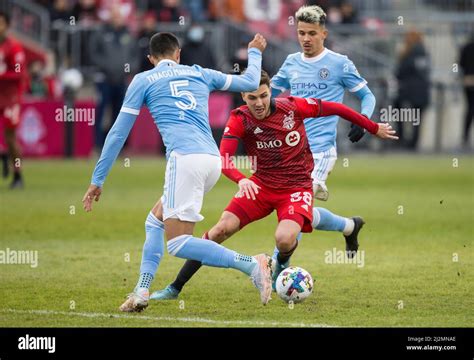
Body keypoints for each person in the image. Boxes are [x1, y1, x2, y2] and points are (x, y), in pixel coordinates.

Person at [151, 70, 397, 300]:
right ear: (243, 97)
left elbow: (338, 108)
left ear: (271, 92)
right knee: (219, 231)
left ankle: (280, 267)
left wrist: (372, 127)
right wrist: (242, 179)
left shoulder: (293, 107)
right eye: (252, 97)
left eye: (263, 95)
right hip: (260, 186)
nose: (258, 103)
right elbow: (224, 159)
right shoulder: (240, 118)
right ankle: (175, 287)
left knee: (284, 239)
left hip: (296, 187)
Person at [82, 32, 273, 312]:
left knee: (179, 244)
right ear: (178, 54)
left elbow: (117, 134)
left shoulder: (143, 79)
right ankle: (142, 290)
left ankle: (251, 265)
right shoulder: (199, 72)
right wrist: (254, 52)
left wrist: (97, 179)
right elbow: (248, 82)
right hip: (212, 160)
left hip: (184, 160)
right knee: (154, 221)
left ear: (150, 59)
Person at [271, 5, 376, 201]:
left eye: (312, 33)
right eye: (301, 33)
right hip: (292, 147)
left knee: (296, 201)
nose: (306, 39)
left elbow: (368, 96)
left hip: (321, 150)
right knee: (293, 208)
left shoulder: (339, 63)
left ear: (324, 33)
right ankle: (348, 225)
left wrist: (363, 120)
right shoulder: (291, 62)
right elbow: (268, 95)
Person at [0, 11, 26, 189]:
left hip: (10, 99)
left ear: (7, 25)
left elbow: (19, 74)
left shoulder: (14, 47)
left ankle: (18, 174)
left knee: (11, 138)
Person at [394, 29, 430, 150]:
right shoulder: (423, 52)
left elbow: (401, 71)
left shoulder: (412, 52)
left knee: (400, 111)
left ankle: (404, 140)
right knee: (416, 118)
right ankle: (411, 142)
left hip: (411, 90)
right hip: (420, 90)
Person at [459, 32, 474, 147]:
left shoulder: (466, 47)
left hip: (468, 81)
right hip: (469, 82)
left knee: (469, 109)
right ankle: (465, 136)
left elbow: (460, 64)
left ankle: (465, 136)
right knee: (470, 109)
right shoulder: (467, 47)